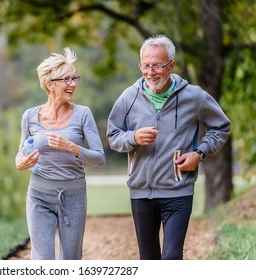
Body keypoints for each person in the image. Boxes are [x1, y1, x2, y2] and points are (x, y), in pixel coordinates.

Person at [106, 35, 231, 260]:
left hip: (178, 190)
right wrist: (133, 137)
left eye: (157, 66)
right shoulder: (128, 98)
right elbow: (113, 136)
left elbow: (221, 127)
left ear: (171, 66)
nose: (150, 72)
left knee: (172, 258)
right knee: (149, 259)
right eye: (146, 65)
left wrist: (199, 153)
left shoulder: (194, 96)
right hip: (140, 191)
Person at [15, 47, 105, 260]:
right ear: (50, 84)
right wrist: (21, 162)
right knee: (42, 260)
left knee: (71, 260)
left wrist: (72, 148)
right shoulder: (29, 116)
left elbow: (100, 158)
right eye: (67, 79)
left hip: (73, 195)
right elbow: (20, 154)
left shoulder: (83, 114)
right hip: (39, 195)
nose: (73, 84)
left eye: (75, 78)